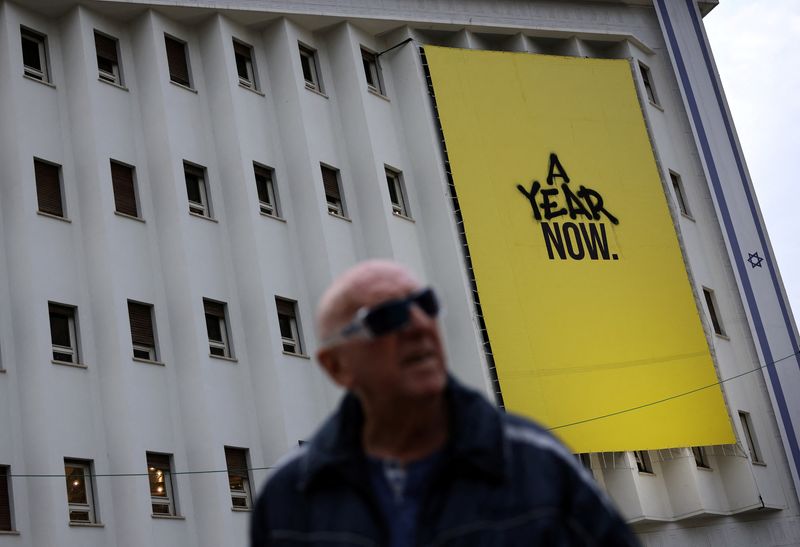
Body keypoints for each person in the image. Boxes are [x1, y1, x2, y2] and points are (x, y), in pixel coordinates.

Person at [251, 260, 639, 546]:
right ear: (337, 366)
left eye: (426, 304)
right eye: (387, 317)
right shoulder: (288, 497)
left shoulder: (536, 462)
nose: (419, 324)